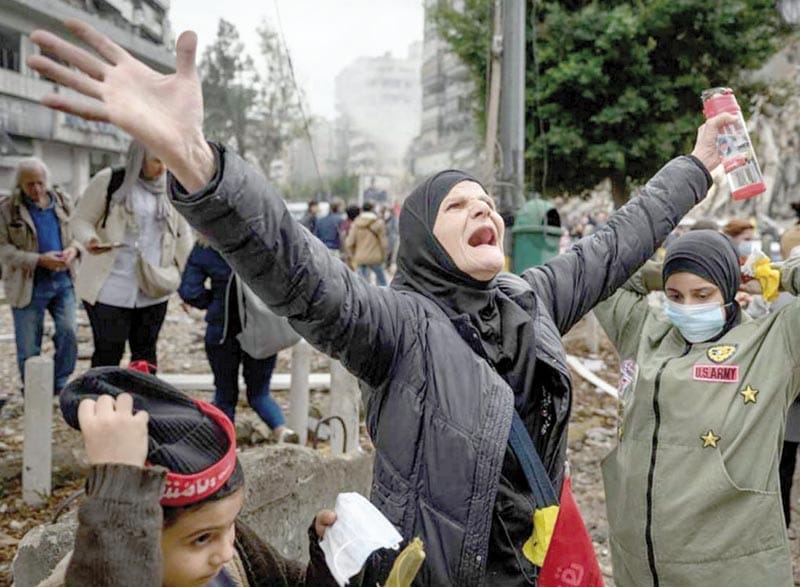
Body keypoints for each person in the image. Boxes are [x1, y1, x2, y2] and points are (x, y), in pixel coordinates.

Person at [26, 20, 731, 584]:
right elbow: (298, 270)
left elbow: (620, 240)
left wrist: (697, 164)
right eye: (457, 204)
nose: (480, 206)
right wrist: (201, 166)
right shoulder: (396, 326)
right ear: (421, 237)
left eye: (485, 200)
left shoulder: (532, 298)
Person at [593, 229, 800, 585]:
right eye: (675, 295)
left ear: (729, 289)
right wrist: (670, 269)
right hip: (639, 565)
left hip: (730, 568)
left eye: (702, 294)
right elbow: (601, 273)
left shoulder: (773, 344)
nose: (688, 307)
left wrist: (772, 275)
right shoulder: (644, 332)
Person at [43, 366, 337, 585]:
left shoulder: (235, 555)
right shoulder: (85, 577)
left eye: (231, 523)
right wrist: (120, 494)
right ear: (135, 530)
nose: (224, 552)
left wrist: (329, 562)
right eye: (201, 539)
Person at [71, 141, 193, 369]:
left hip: (154, 287)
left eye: (168, 160)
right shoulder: (110, 181)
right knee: (108, 354)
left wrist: (189, 281)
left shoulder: (171, 187)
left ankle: (142, 403)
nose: (164, 167)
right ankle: (102, 401)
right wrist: (90, 239)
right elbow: (80, 219)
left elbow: (182, 235)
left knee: (145, 356)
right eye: (157, 160)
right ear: (140, 159)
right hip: (109, 288)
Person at [178, 238, 299, 443]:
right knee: (260, 394)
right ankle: (281, 431)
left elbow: (189, 291)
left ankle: (227, 445)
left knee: (225, 395)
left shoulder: (206, 246)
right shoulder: (263, 239)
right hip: (263, 328)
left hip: (222, 331)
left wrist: (215, 301)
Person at [0, 158, 79, 394]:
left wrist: (73, 251)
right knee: (28, 343)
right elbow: (3, 249)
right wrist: (39, 259)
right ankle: (34, 389)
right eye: (29, 184)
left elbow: (78, 233)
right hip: (28, 284)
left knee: (69, 332)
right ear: (20, 185)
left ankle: (59, 382)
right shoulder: (8, 209)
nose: (36, 189)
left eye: (40, 183)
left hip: (63, 281)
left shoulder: (63, 202)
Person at [345, 201, 388, 286]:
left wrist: (353, 255)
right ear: (373, 209)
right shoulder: (379, 223)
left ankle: (365, 298)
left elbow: (349, 242)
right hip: (375, 257)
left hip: (360, 257)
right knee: (382, 281)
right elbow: (384, 243)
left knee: (362, 283)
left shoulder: (356, 224)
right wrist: (384, 256)